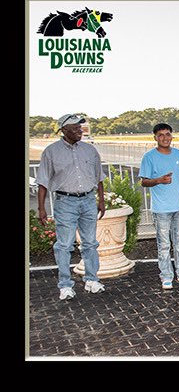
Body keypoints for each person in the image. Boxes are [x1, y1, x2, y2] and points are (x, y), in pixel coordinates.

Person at [35, 114, 106, 301]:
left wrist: (101, 200)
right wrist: (41, 209)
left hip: (89, 200)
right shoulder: (51, 152)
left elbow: (99, 177)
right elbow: (42, 182)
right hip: (65, 202)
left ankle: (92, 280)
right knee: (64, 245)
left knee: (90, 242)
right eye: (75, 128)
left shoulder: (90, 150)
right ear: (64, 130)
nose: (80, 131)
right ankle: (65, 285)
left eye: (80, 128)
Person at [140, 123, 179, 290]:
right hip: (161, 209)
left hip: (178, 207)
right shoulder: (149, 157)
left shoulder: (178, 154)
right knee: (164, 245)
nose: (165, 138)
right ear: (155, 137)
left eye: (168, 134)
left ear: (172, 136)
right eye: (161, 135)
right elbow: (144, 181)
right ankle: (166, 275)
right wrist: (158, 180)